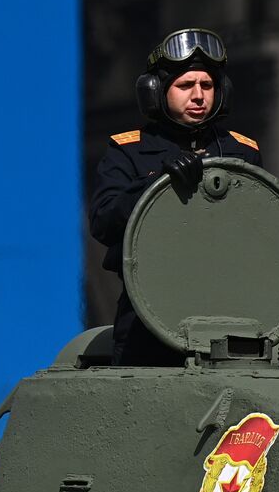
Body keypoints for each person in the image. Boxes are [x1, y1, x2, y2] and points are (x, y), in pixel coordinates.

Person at [89, 28, 263, 365]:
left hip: (230, 315)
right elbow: (103, 220)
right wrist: (158, 184)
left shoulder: (242, 152)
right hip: (148, 319)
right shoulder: (128, 150)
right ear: (156, 91)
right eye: (185, 86)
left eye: (207, 86)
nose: (198, 96)